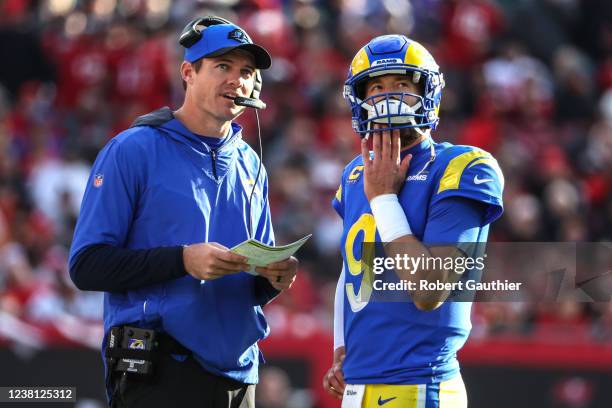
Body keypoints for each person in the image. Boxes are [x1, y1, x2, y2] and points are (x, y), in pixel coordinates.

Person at [68, 16, 298, 408]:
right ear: (188, 72)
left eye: (246, 71)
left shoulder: (250, 162)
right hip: (161, 370)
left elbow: (250, 284)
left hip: (240, 375)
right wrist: (183, 260)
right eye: (222, 66)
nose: (237, 80)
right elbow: (86, 266)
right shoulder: (132, 149)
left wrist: (273, 279)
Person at [323, 35, 504, 407]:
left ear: (428, 92)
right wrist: (343, 346)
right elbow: (352, 268)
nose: (387, 96)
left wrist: (386, 199)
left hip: (419, 386)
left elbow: (430, 290)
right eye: (376, 86)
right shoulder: (356, 173)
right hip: (357, 388)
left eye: (402, 84)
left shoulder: (462, 166)